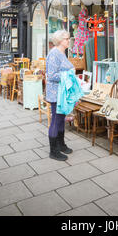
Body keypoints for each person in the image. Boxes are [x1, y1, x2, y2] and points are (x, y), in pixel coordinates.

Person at [46, 30, 74, 161]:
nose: (69, 41)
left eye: (69, 38)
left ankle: (61, 144)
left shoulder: (62, 52)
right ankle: (53, 151)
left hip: (62, 93)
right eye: (66, 39)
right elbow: (51, 75)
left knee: (61, 118)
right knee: (56, 120)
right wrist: (68, 75)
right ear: (59, 41)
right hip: (55, 93)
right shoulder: (54, 54)